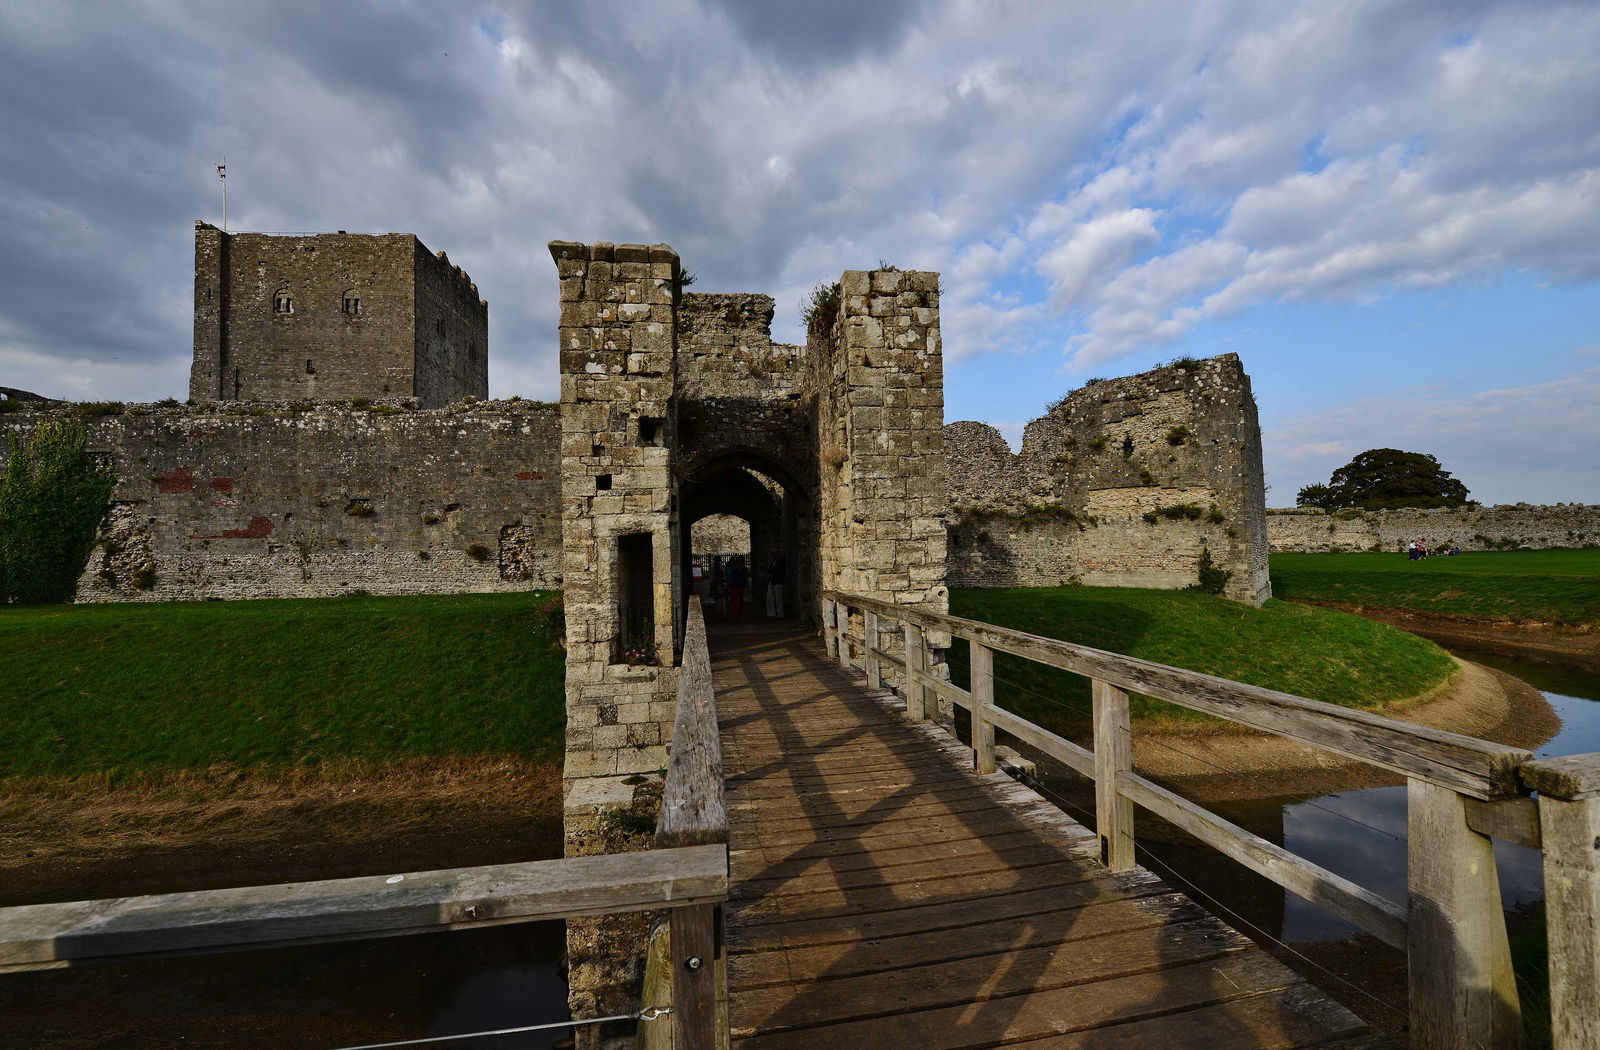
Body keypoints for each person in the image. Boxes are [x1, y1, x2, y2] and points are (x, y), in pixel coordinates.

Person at [726, 555, 749, 620]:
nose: (740, 563)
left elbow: (746, 578)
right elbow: (731, 578)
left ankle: (739, 614)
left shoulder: (744, 569)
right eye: (739, 561)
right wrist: (730, 585)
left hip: (741, 586)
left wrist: (746, 586)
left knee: (741, 601)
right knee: (735, 601)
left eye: (741, 561)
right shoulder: (734, 569)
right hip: (735, 586)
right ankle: (735, 615)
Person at [766, 550, 787, 619]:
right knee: (770, 597)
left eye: (773, 554)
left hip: (778, 581)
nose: (772, 555)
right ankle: (772, 614)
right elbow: (770, 569)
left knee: (778, 599)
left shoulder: (781, 560)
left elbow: (777, 570)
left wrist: (773, 570)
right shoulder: (774, 561)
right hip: (772, 581)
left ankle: (780, 614)